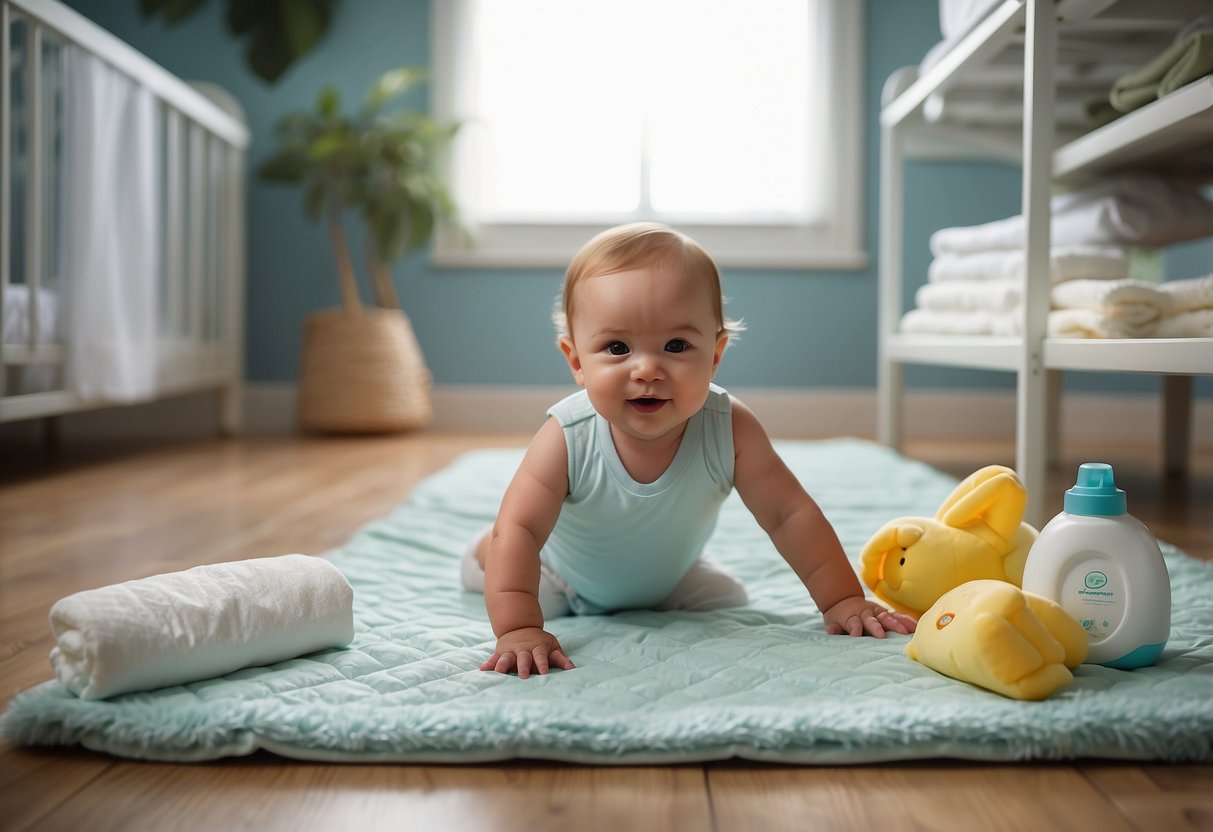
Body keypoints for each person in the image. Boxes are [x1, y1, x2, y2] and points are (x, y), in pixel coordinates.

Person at [461, 222, 917, 678]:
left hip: (669, 578)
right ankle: (484, 549)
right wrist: (518, 629)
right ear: (577, 361)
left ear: (715, 355)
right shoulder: (568, 435)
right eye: (617, 347)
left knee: (728, 600)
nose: (647, 369)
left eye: (676, 345)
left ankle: (657, 578)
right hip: (560, 575)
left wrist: (841, 599)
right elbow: (521, 529)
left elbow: (789, 514)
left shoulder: (729, 427)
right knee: (512, 571)